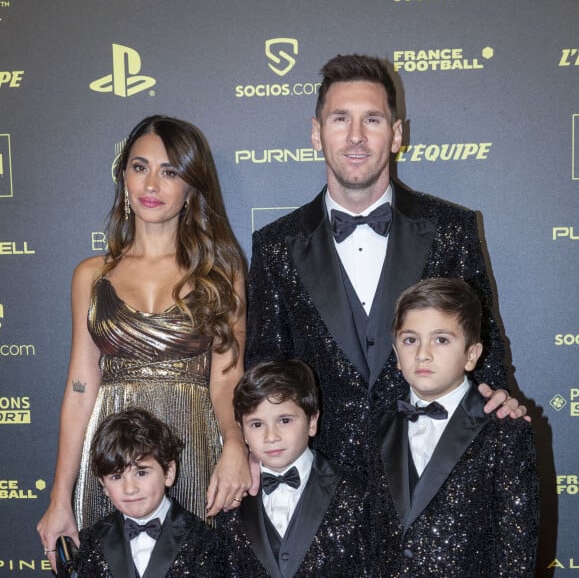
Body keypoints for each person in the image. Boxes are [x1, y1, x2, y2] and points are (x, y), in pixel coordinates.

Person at [246, 53, 525, 470]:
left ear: (395, 135)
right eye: (340, 119)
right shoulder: (275, 245)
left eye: (372, 120)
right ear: (317, 133)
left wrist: (496, 395)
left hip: (430, 477)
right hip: (322, 484)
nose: (355, 136)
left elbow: (482, 337)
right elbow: (266, 363)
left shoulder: (451, 228)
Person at [38, 115, 251, 571]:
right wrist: (59, 497)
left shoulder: (221, 273)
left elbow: (228, 378)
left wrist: (235, 445)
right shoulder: (90, 276)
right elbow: (79, 390)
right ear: (124, 177)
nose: (151, 183)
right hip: (111, 454)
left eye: (170, 171)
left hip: (194, 449)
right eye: (140, 167)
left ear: (192, 187)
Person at [372, 278, 539, 577]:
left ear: (472, 355)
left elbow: (515, 553)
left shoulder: (505, 432)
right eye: (410, 340)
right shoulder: (376, 428)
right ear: (396, 354)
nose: (423, 353)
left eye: (441, 339)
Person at [224, 359, 373, 577]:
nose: (271, 437)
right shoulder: (232, 501)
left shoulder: (357, 491)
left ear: (312, 421)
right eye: (257, 424)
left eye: (284, 420)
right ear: (242, 431)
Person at [75, 407, 229, 577]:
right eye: (116, 477)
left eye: (141, 473)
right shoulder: (90, 542)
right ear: (103, 484)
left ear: (168, 472)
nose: (130, 489)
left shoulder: (204, 541)